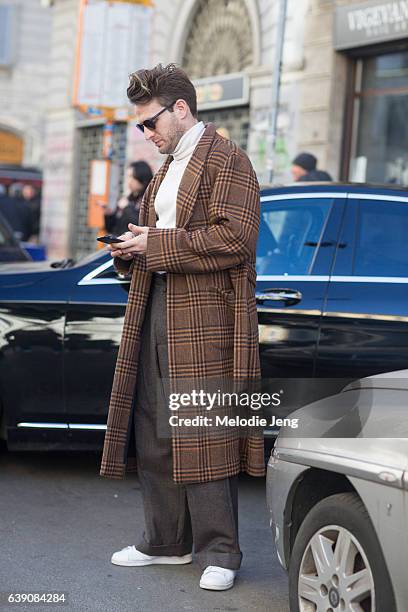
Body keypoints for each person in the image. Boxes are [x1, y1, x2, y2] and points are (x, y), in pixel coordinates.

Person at [99, 63, 264, 591]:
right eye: (140, 126)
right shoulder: (170, 165)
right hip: (157, 303)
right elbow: (165, 236)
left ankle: (221, 551)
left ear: (181, 109)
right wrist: (135, 248)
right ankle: (166, 542)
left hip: (205, 315)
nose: (145, 134)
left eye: (149, 122)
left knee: (203, 431)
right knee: (152, 428)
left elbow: (236, 238)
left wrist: (157, 245)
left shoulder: (227, 157)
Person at [104, 161, 153, 236]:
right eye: (127, 177)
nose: (128, 181)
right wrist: (109, 214)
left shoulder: (150, 200)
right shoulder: (129, 198)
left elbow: (142, 226)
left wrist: (127, 207)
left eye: (131, 176)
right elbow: (112, 228)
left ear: (141, 177)